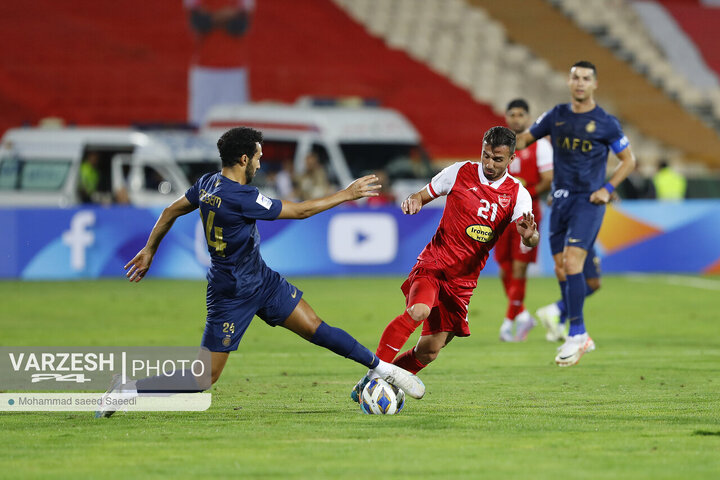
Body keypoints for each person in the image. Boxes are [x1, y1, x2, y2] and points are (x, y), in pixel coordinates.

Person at [96, 127, 424, 418]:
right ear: (243, 158)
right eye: (257, 157)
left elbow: (171, 209)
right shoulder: (241, 196)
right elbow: (300, 211)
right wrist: (346, 194)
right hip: (232, 294)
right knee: (203, 378)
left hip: (261, 280)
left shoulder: (208, 182)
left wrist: (150, 248)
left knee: (316, 328)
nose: (259, 163)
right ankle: (128, 389)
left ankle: (383, 370)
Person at [350, 126, 539, 402]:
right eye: (485, 155)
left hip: (463, 282)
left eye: (497, 159)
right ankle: (373, 378)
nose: (489, 163)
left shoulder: (517, 194)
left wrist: (529, 234)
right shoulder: (460, 172)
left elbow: (531, 237)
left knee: (430, 350)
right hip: (433, 265)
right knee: (419, 310)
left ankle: (371, 384)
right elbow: (421, 195)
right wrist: (413, 200)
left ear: (511, 160)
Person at [515, 60, 636, 367]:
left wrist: (607, 189)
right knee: (561, 268)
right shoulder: (556, 116)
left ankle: (578, 333)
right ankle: (565, 319)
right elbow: (525, 139)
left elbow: (628, 160)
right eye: (575, 78)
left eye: (586, 78)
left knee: (572, 262)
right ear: (569, 83)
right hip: (559, 200)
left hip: (588, 201)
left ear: (594, 84)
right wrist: (498, 144)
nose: (580, 82)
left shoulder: (605, 122)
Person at [495, 99, 553, 342]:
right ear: (506, 117)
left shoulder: (540, 146)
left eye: (521, 115)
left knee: (519, 267)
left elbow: (548, 179)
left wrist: (524, 196)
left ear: (528, 118)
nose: (516, 119)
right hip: (500, 214)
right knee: (504, 268)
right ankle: (523, 315)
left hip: (527, 214)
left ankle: (509, 323)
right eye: (512, 114)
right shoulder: (498, 145)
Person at [185, 0, 255, 125]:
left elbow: (238, 27)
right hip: (204, 71)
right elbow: (200, 23)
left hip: (233, 72)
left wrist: (213, 17)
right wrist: (227, 14)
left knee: (236, 125)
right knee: (201, 123)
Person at [536, 247, 601, 342]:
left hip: (578, 240)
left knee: (577, 279)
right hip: (581, 240)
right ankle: (557, 309)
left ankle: (560, 322)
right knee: (592, 282)